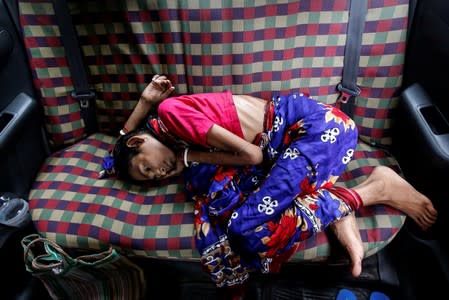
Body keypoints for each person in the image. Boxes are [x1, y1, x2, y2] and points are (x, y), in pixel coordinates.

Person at [107, 74, 437, 289]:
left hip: (318, 130)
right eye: (149, 180)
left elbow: (253, 156)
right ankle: (333, 201)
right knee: (232, 209)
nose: (157, 175)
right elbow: (116, 154)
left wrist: (160, 118)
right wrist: (143, 106)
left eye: (146, 168)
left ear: (139, 143)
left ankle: (370, 190)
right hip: (298, 153)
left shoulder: (170, 113)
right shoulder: (178, 144)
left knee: (242, 228)